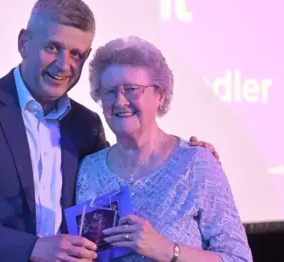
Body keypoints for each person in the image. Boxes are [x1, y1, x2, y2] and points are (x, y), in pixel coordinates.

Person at [0, 0, 219, 261]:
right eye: (53, 47)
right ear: (24, 43)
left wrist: (185, 156)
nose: (64, 65)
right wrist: (33, 248)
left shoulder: (86, 125)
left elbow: (120, 181)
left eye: (76, 54)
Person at [76, 36, 252, 262]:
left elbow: (238, 259)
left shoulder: (196, 164)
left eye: (132, 89)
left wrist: (165, 249)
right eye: (110, 91)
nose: (120, 101)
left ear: (160, 95)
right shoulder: (89, 170)